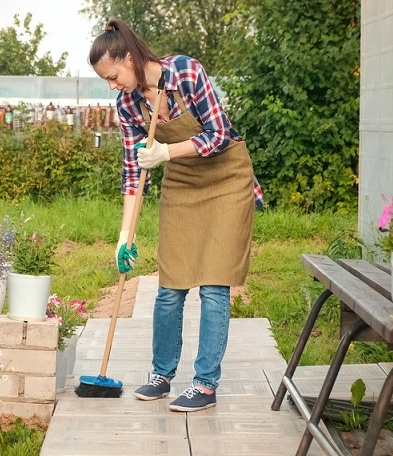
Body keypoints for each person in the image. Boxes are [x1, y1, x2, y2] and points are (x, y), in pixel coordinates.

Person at [89, 18, 262, 412]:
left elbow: (219, 134)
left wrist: (166, 152)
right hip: (183, 184)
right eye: (107, 82)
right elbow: (135, 171)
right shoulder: (128, 104)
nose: (113, 86)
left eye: (114, 76)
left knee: (214, 284)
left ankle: (204, 384)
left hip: (226, 178)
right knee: (171, 287)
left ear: (130, 58)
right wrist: (124, 236)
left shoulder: (185, 72)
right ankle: (161, 375)